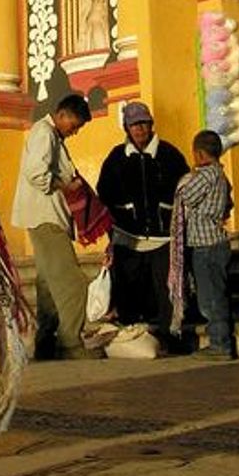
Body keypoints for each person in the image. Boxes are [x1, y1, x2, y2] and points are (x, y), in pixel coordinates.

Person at [12, 93, 98, 360]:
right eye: (75, 124)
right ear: (63, 115)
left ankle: (45, 343)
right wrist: (65, 186)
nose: (75, 131)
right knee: (73, 283)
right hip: (46, 218)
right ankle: (70, 342)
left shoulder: (50, 135)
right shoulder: (45, 133)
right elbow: (35, 173)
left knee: (48, 285)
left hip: (44, 217)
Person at [95, 101, 187, 341]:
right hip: (127, 237)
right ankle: (132, 337)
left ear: (151, 125)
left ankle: (169, 337)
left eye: (143, 123)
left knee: (166, 290)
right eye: (134, 124)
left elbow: (184, 188)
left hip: (163, 237)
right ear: (127, 127)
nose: (140, 129)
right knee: (128, 290)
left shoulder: (170, 155)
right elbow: (104, 192)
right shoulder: (116, 157)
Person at [171, 129, 236, 359]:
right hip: (217, 242)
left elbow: (186, 196)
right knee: (217, 294)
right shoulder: (221, 176)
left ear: (199, 154)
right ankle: (223, 341)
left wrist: (188, 178)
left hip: (206, 246)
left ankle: (220, 344)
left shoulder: (206, 176)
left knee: (210, 299)